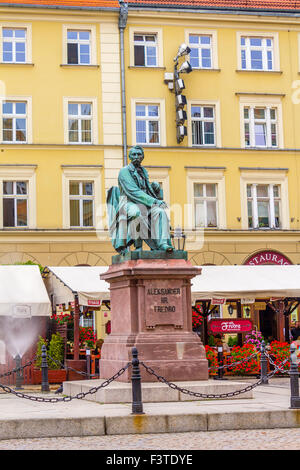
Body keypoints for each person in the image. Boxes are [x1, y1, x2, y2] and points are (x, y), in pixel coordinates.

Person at [106, 145, 173, 254]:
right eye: (134, 154)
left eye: (139, 154)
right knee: (136, 213)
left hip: (145, 203)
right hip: (129, 202)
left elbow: (145, 189)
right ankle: (138, 247)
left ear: (142, 157)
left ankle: (162, 243)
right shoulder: (124, 171)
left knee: (160, 212)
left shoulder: (143, 171)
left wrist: (153, 187)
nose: (136, 156)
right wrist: (155, 201)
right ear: (129, 157)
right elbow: (134, 192)